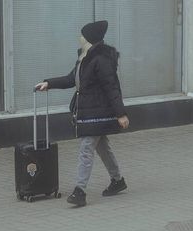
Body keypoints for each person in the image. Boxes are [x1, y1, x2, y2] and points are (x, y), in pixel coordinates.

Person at [36, 20, 129, 208]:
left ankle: (80, 191)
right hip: (88, 111)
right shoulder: (84, 57)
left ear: (88, 38)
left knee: (86, 148)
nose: (79, 37)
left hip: (97, 111)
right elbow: (72, 79)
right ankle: (117, 180)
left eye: (82, 34)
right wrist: (49, 83)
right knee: (101, 146)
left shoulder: (101, 59)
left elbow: (111, 87)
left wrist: (121, 114)